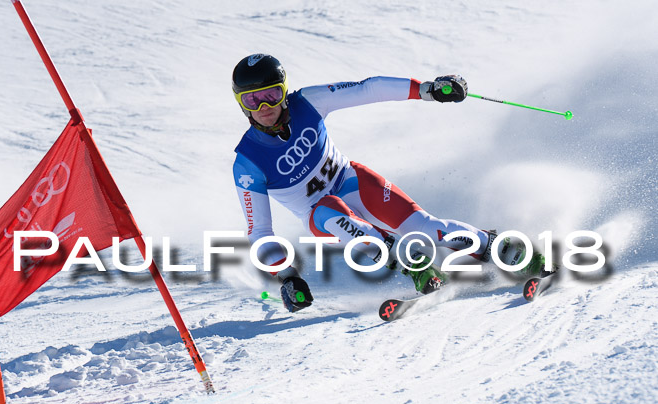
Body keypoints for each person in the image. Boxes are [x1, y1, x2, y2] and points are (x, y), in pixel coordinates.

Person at [231, 54, 545, 312]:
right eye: (253, 100)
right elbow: (259, 232)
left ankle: (500, 248)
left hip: (352, 181)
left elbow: (368, 89)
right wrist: (286, 276)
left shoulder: (308, 102)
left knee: (425, 227)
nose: (264, 107)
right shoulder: (248, 162)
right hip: (321, 216)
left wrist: (427, 89)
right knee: (332, 210)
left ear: (284, 92)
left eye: (271, 95)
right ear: (242, 104)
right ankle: (414, 264)